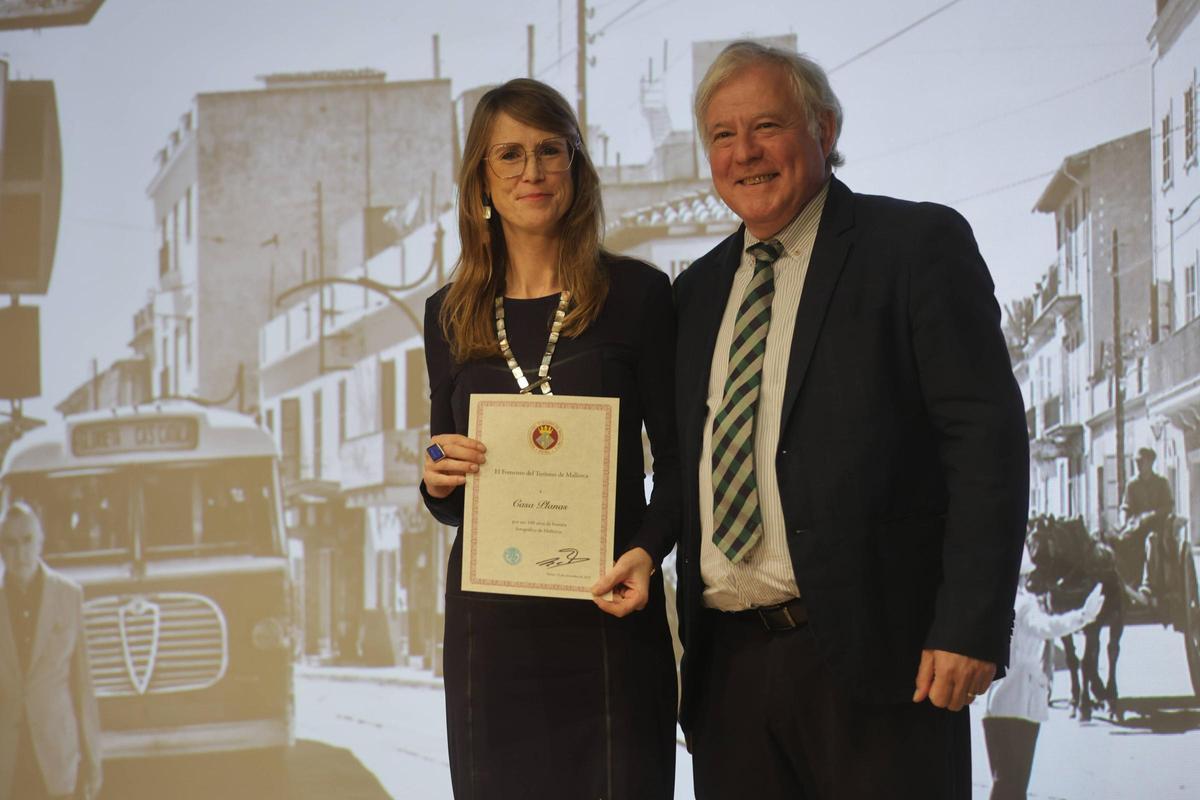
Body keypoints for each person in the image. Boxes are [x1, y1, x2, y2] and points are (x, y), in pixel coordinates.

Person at [672, 41, 1029, 799]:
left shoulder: (915, 247)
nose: (745, 153)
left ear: (824, 131)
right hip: (729, 674)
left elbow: (985, 443)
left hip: (884, 664)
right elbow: (681, 468)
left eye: (766, 126)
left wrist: (968, 627)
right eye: (722, 136)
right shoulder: (696, 292)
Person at [420, 78, 679, 799]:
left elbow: (683, 467)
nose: (531, 172)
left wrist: (648, 552)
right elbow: (449, 490)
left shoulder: (638, 296)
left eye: (548, 151)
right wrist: (437, 476)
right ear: (482, 179)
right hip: (492, 632)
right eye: (509, 154)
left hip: (610, 616)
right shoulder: (447, 313)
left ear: (575, 167)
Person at [980, 552, 1104, 800]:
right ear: (1024, 575)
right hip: (1022, 701)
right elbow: (1047, 627)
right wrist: (1084, 616)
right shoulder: (1025, 604)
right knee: (1014, 785)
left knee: (1003, 781)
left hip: (994, 703)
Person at [0, 502, 103, 800]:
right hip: (8, 759)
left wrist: (93, 757)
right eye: (11, 543)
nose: (20, 552)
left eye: (27, 540)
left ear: (41, 540)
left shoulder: (68, 595)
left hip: (58, 755)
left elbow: (82, 685)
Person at [1121, 446, 1175, 603]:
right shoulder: (1132, 485)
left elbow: (1168, 507)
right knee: (1119, 543)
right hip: (1135, 528)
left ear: (1151, 462)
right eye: (1136, 461)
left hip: (1157, 528)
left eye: (1141, 461)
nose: (1138, 464)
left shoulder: (1161, 483)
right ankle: (1126, 585)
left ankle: (1147, 585)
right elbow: (1126, 506)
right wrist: (1124, 521)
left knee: (1151, 540)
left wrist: (1151, 515)